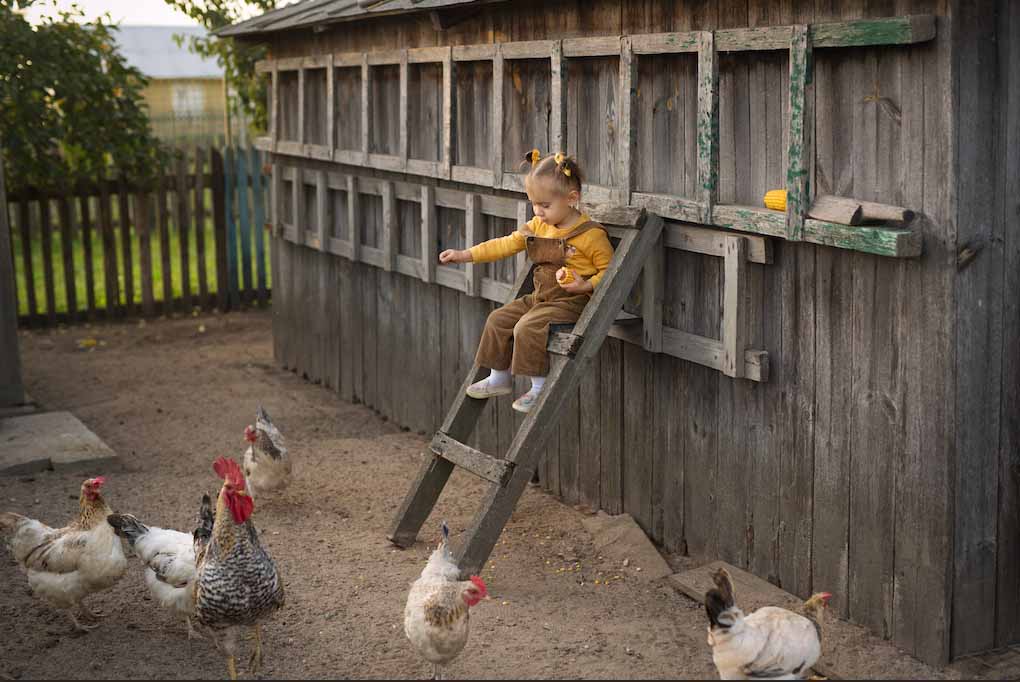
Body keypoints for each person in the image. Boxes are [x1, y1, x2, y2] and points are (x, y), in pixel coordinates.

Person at [438, 150, 614, 413]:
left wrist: (586, 285)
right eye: (534, 203)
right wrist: (464, 255)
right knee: (498, 319)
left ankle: (539, 387)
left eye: (545, 205)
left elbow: (610, 271)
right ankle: (500, 377)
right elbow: (505, 244)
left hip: (572, 301)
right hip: (541, 297)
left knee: (527, 326)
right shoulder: (539, 226)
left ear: (572, 199)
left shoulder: (591, 236)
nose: (538, 211)